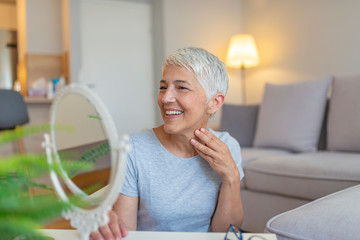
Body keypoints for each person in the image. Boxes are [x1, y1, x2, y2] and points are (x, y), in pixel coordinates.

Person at [90, 47, 244, 240]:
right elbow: (125, 235)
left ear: (214, 102)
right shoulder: (133, 149)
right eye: (163, 87)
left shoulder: (228, 146)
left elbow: (226, 232)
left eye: (181, 87)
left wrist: (231, 176)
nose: (165, 98)